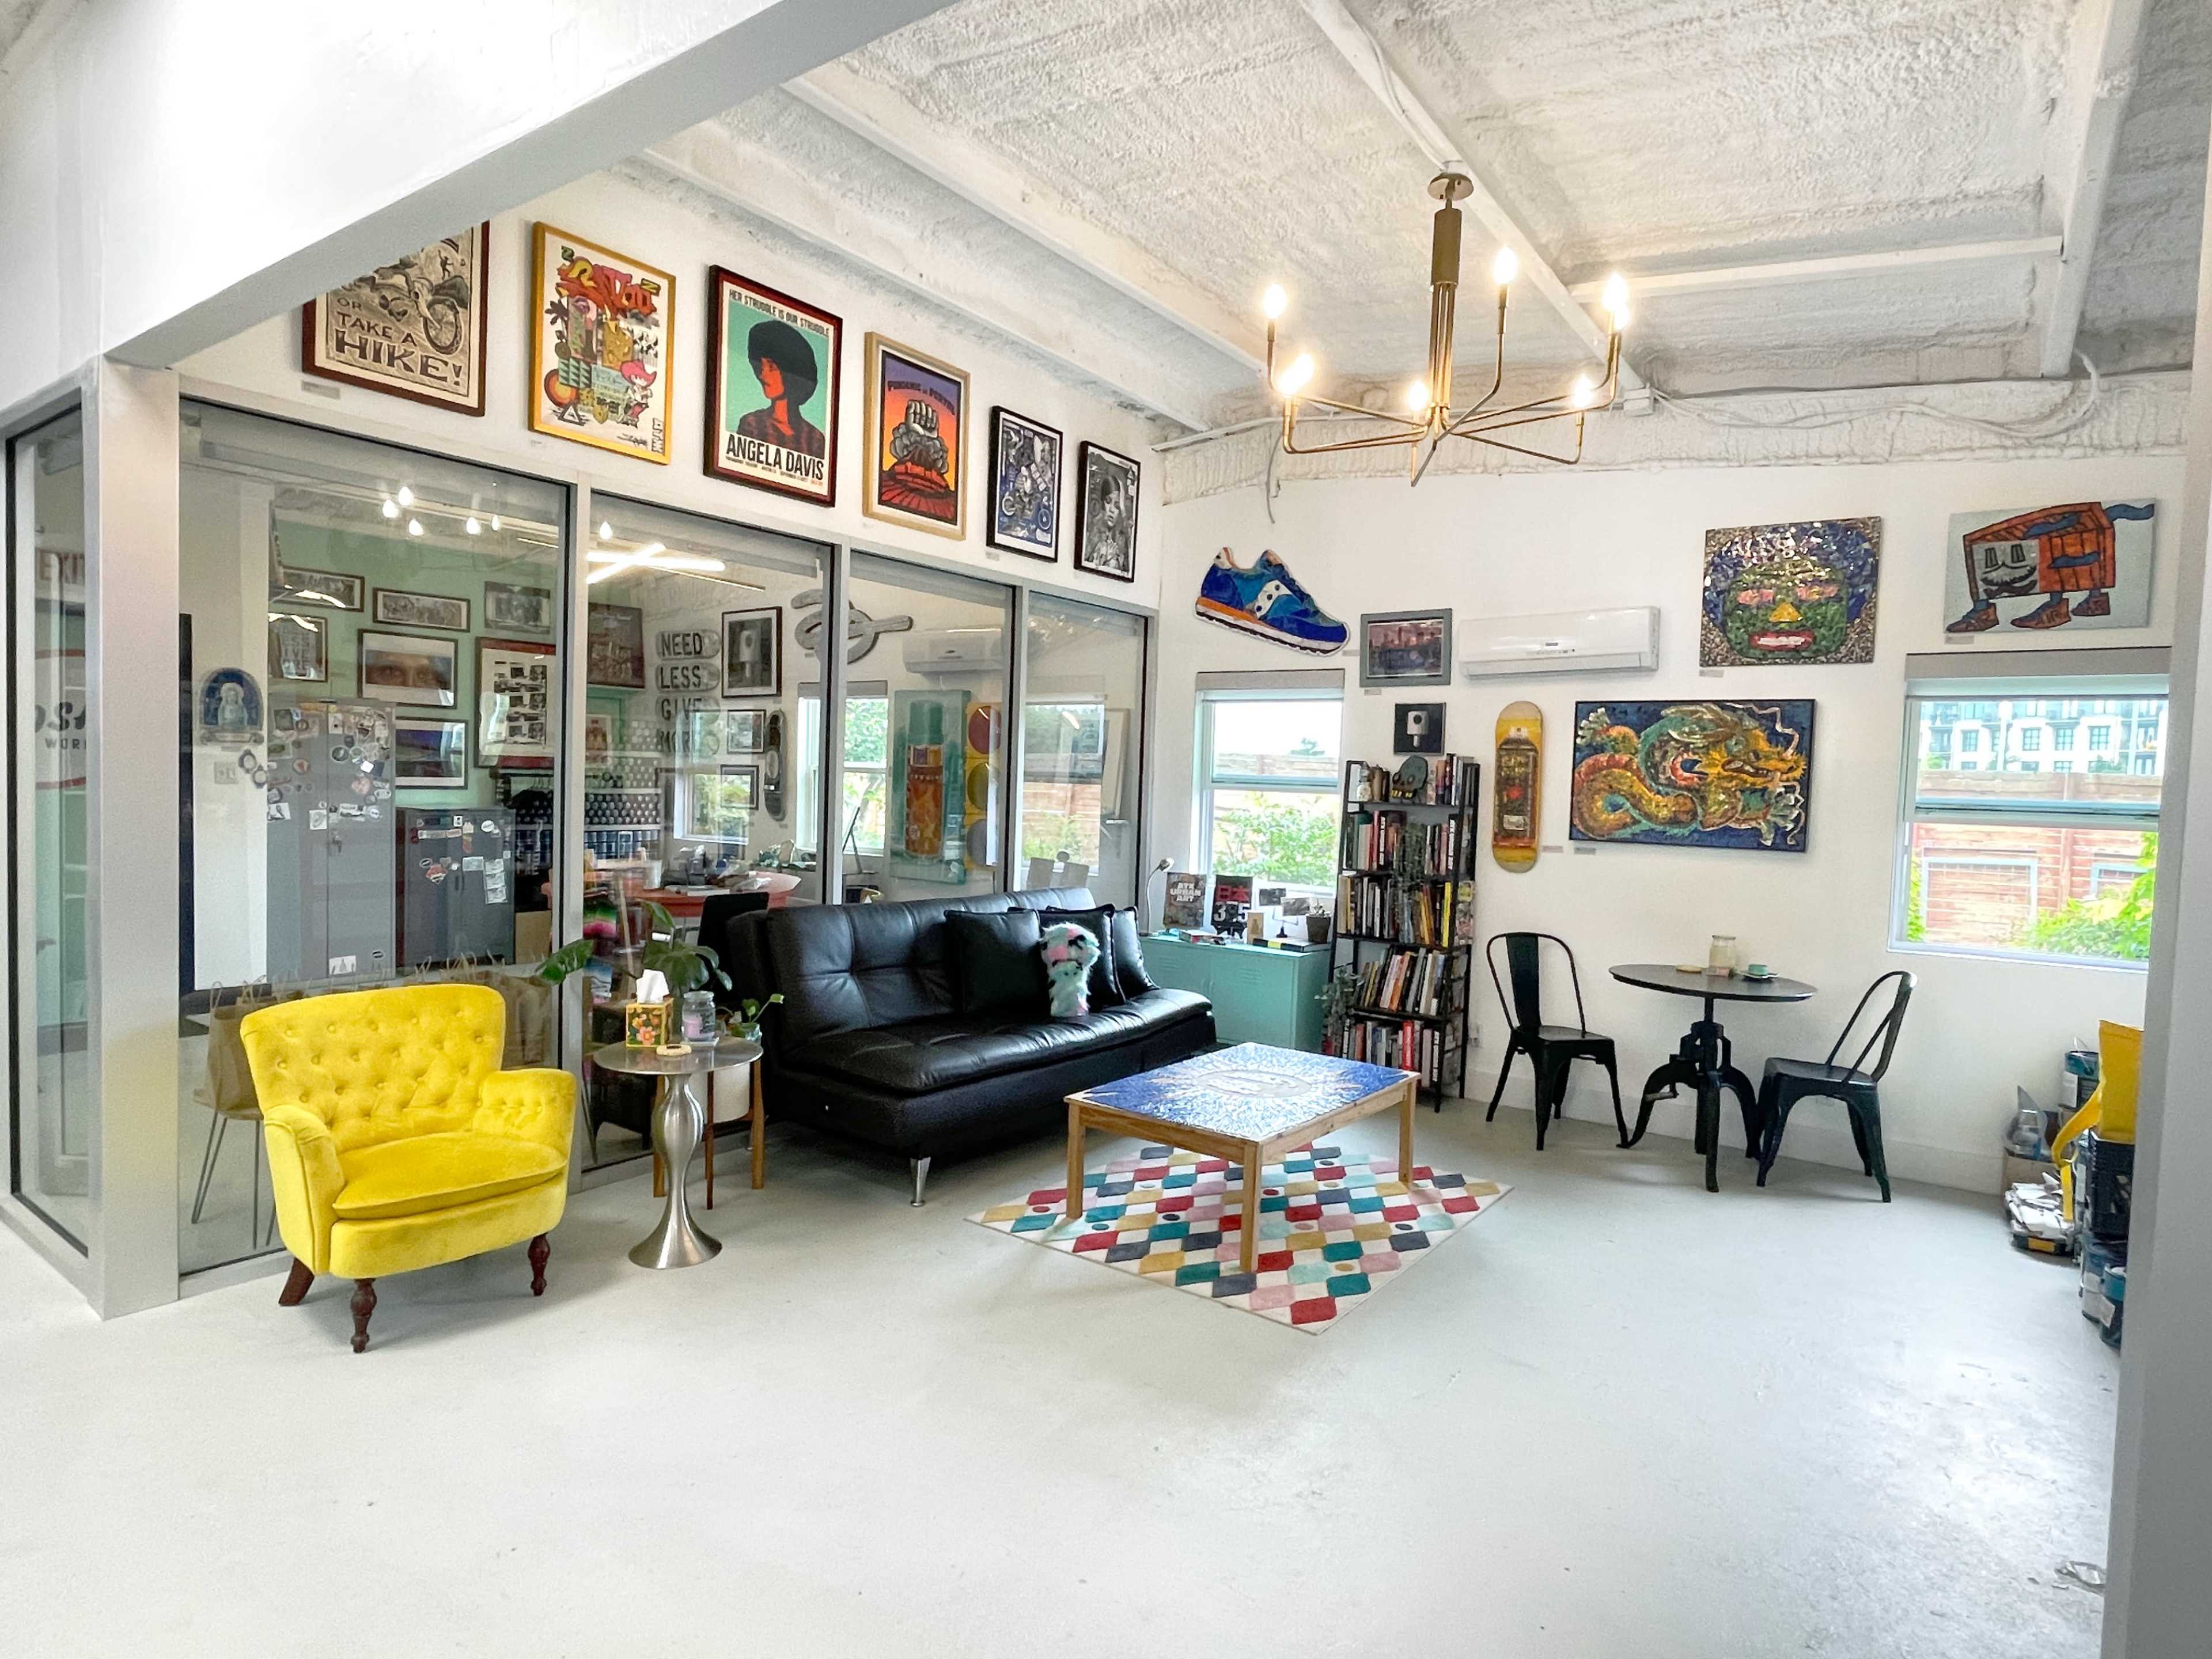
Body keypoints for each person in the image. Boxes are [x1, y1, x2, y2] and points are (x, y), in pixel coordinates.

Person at [734, 319, 825, 457]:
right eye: (761, 366)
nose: (763, 375)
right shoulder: (752, 424)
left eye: (771, 366)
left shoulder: (815, 438)